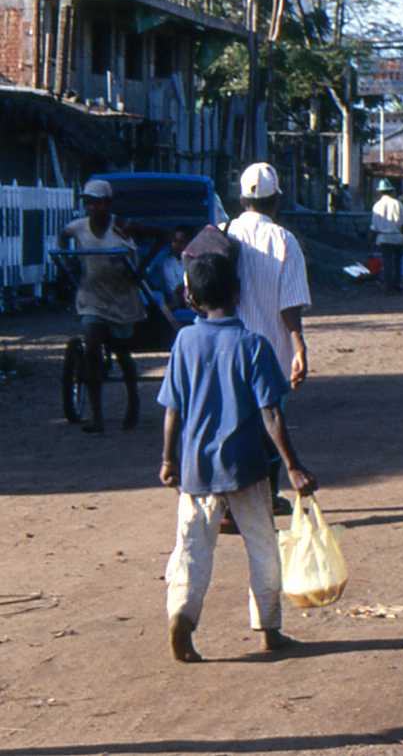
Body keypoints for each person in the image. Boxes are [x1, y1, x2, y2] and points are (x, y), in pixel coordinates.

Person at [159, 251, 315, 663]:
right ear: (239, 292)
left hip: (195, 470)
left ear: (190, 297)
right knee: (263, 547)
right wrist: (294, 465)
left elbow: (172, 408)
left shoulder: (184, 342)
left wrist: (168, 459)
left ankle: (182, 617)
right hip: (246, 467)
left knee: (191, 550)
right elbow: (271, 412)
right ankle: (268, 628)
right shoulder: (252, 346)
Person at [227, 163, 311, 510]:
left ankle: (231, 501)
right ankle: (267, 495)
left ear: (243, 199)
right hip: (271, 351)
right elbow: (290, 305)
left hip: (227, 347)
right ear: (276, 200)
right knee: (270, 422)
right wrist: (299, 347)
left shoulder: (221, 232)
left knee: (232, 424)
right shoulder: (284, 239)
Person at [57, 179, 150, 433]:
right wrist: (68, 263)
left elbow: (159, 236)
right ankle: (97, 416)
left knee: (122, 354)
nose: (92, 208)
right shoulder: (78, 228)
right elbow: (63, 236)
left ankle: (133, 400)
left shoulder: (122, 227)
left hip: (121, 299)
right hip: (92, 299)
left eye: (97, 203)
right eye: (88, 203)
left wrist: (139, 271)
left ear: (107, 204)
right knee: (91, 349)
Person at [369, 179, 403, 295]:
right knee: (397, 263)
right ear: (391, 191)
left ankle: (388, 287)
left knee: (387, 263)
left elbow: (374, 227)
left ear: (380, 192)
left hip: (383, 238)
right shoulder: (398, 204)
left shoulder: (376, 206)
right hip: (397, 237)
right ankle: (397, 285)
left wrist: (370, 241)